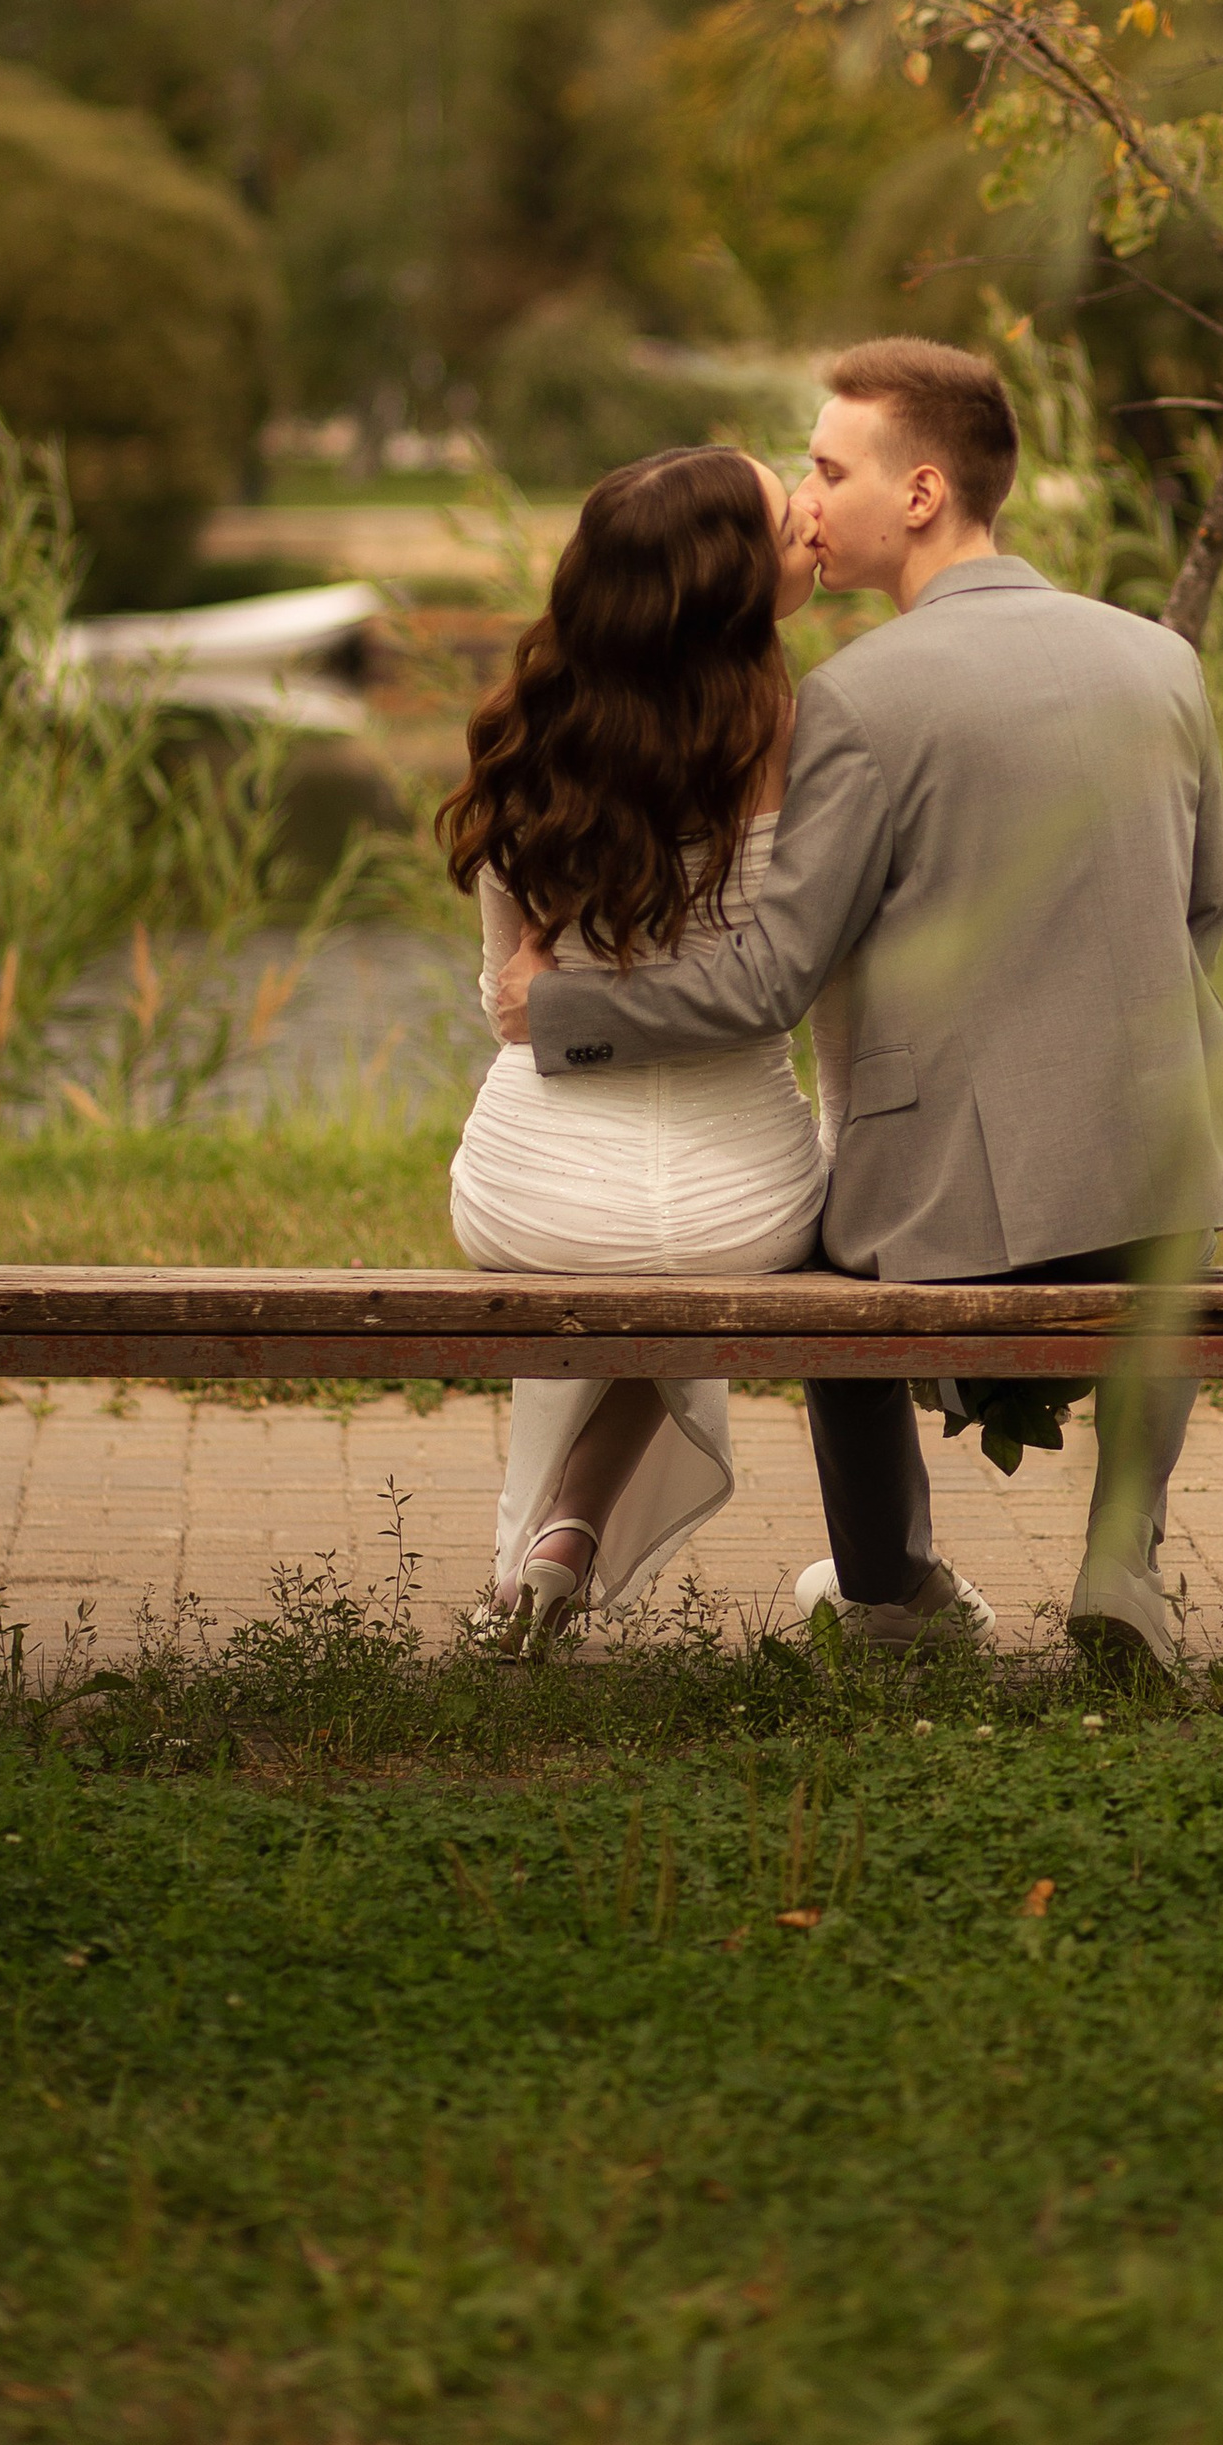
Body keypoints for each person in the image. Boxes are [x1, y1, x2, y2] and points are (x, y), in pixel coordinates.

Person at [497, 336, 1223, 1675]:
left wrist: (560, 1009)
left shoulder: (854, 700)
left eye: (825, 467)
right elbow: (1210, 909)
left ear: (919, 495)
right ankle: (1121, 1561)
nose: (806, 501)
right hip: (1164, 1169)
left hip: (940, 1204)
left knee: (819, 1251)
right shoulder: (1164, 663)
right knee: (1175, 1252)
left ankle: (886, 1586)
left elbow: (766, 978)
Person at [439, 444, 837, 1648]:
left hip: (528, 1188)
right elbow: (786, 985)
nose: (813, 519)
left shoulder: (520, 735)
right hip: (743, 1199)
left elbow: (515, 999)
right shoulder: (803, 737)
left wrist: (567, 1009)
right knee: (686, 1249)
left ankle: (555, 1542)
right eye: (786, 515)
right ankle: (568, 1528)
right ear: (726, 581)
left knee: (620, 1247)